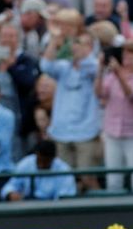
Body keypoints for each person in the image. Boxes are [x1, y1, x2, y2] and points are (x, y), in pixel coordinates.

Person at [40, 30, 102, 192]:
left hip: (86, 132)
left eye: (83, 44)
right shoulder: (63, 67)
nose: (77, 47)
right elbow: (45, 65)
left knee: (87, 178)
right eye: (76, 43)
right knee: (64, 180)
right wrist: (54, 41)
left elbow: (94, 67)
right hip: (61, 132)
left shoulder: (95, 66)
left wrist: (84, 55)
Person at [95, 38, 133, 191]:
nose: (128, 57)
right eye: (125, 53)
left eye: (132, 53)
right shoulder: (110, 77)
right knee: (113, 180)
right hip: (112, 132)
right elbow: (99, 93)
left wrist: (119, 73)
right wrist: (100, 69)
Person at [0, 139, 77, 201]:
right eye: (39, 160)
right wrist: (10, 193)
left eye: (45, 161)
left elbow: (64, 198)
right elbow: (10, 185)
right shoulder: (26, 163)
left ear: (53, 158)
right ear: (36, 155)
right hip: (27, 207)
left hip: (52, 211)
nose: (41, 165)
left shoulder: (63, 169)